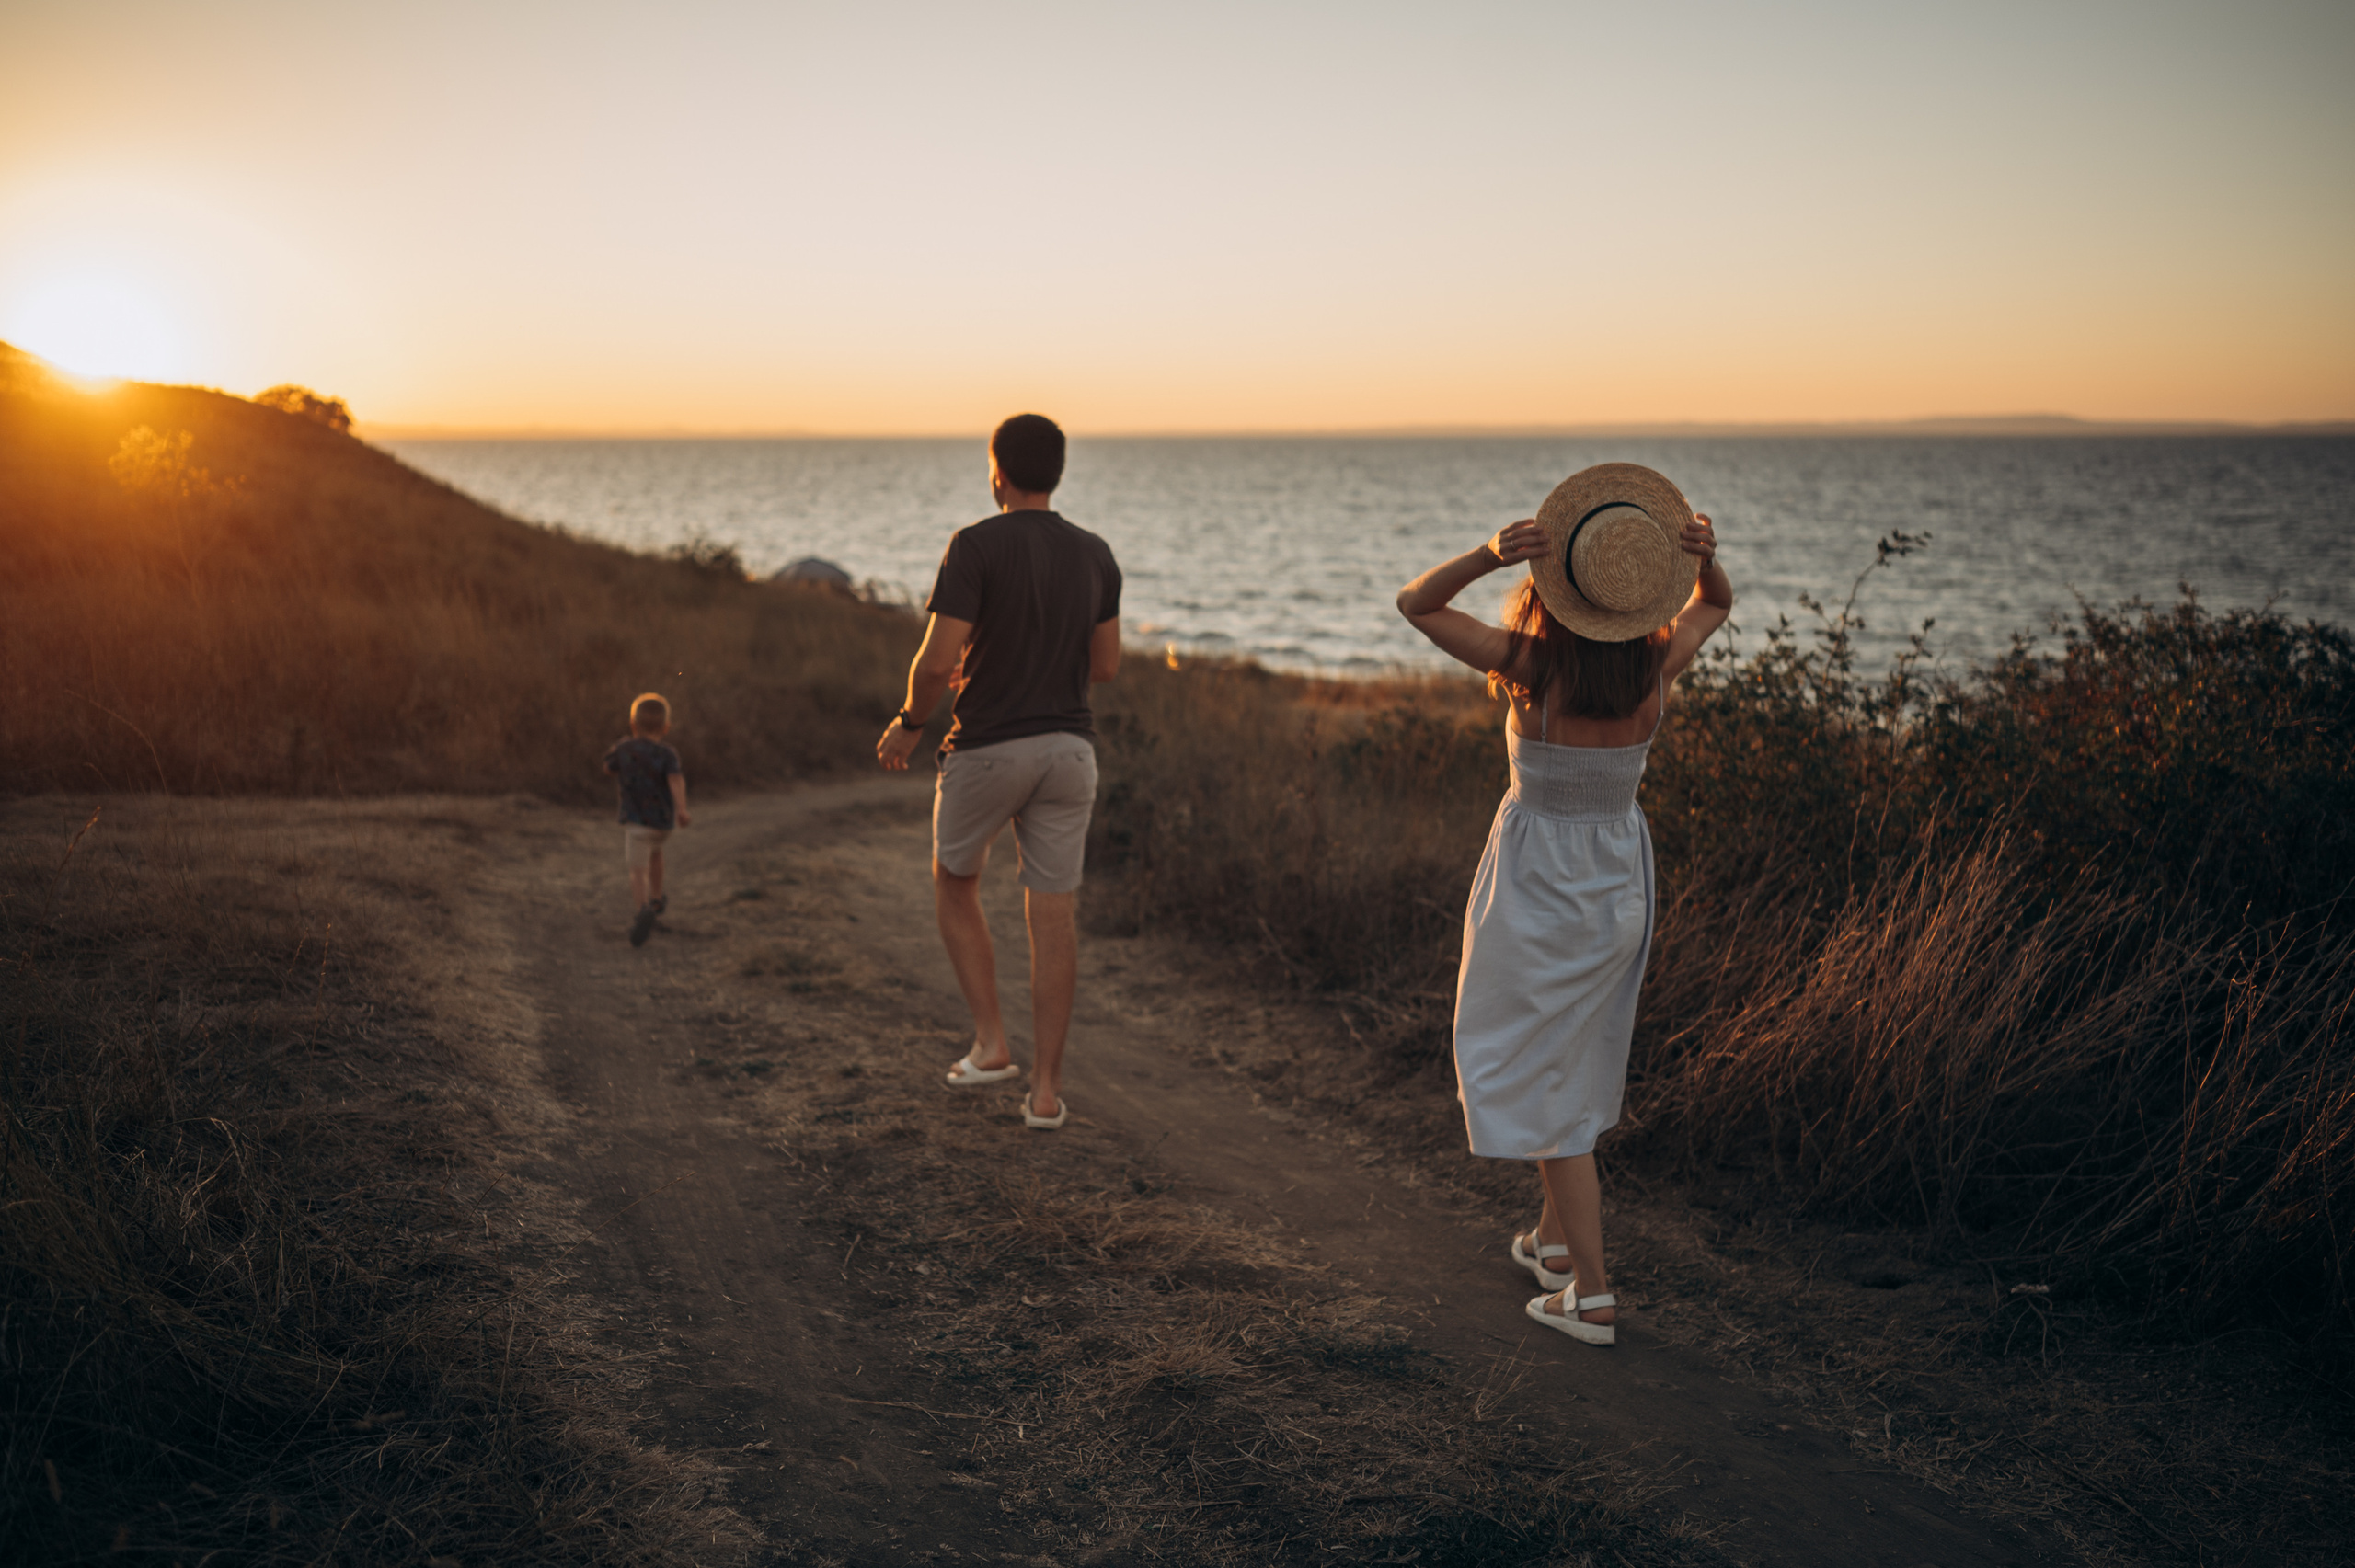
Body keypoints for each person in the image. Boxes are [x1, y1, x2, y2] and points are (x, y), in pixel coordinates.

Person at [1396, 464, 1730, 1345]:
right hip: (1618, 876)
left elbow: (1416, 606)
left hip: (1541, 881)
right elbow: (1714, 609)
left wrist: (1486, 552)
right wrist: (1709, 561)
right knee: (1571, 1060)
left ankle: (1592, 1293)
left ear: (1561, 588)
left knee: (1540, 1075)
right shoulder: (1655, 664)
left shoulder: (1535, 664)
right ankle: (1551, 1243)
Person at [877, 414, 1122, 1129]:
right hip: (1070, 752)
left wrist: (912, 721)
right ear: (1060, 471)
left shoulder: (975, 545)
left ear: (998, 472)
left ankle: (991, 1046)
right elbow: (1104, 666)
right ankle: (1045, 1093)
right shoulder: (1096, 553)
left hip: (986, 749)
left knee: (956, 881)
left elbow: (931, 662)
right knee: (1054, 914)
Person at [603, 692, 691, 947]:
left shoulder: (624, 748)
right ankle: (656, 897)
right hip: (662, 824)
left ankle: (643, 910)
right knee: (656, 853)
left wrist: (616, 751)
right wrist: (682, 810)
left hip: (636, 822)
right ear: (665, 727)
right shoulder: (667, 754)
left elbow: (608, 768)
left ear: (633, 726)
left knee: (637, 871)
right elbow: (676, 780)